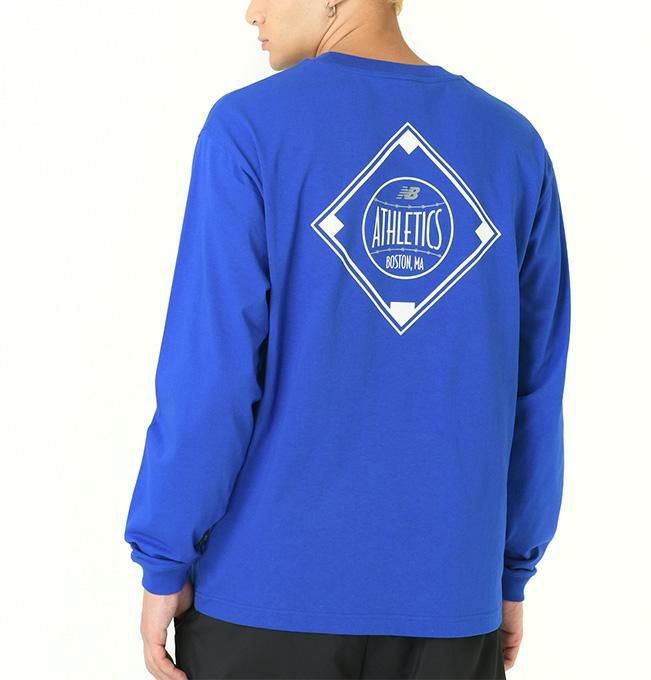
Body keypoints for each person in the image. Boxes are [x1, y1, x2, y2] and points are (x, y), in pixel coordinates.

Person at [123, 0, 571, 677]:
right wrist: (510, 569)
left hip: (264, 600)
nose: (251, 12)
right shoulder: (513, 145)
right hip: (450, 598)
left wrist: (164, 558)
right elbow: (535, 388)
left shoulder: (248, 130)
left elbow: (210, 375)